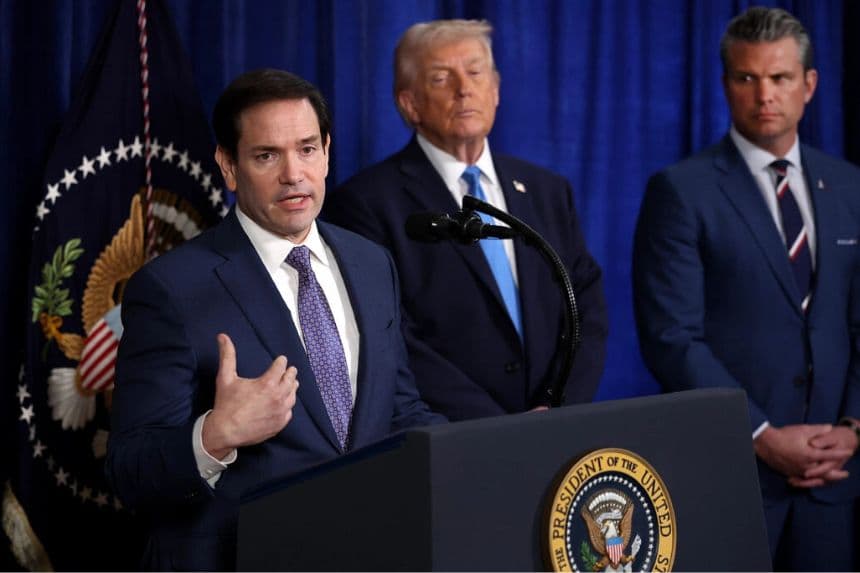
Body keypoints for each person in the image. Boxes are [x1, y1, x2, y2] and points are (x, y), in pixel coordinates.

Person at [104, 69, 445, 571]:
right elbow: (129, 471)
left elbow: (399, 411)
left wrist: (491, 447)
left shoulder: (372, 263)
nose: (294, 174)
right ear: (228, 165)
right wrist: (216, 435)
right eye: (267, 155)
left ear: (327, 151)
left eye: (307, 149)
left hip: (371, 551)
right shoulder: (170, 290)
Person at [633, 7, 860, 571]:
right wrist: (760, 434)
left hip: (835, 483)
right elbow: (672, 338)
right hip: (734, 476)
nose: (765, 95)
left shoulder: (851, 185)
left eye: (780, 78)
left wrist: (854, 427)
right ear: (725, 84)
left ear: (809, 85)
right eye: (746, 78)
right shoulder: (681, 191)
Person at [323, 19, 608, 420]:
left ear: (495, 89)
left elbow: (585, 305)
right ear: (410, 103)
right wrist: (497, 427)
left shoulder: (546, 190)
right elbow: (392, 337)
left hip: (553, 429)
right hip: (451, 438)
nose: (464, 88)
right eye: (441, 78)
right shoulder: (366, 204)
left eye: (475, 72)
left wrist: (556, 405)